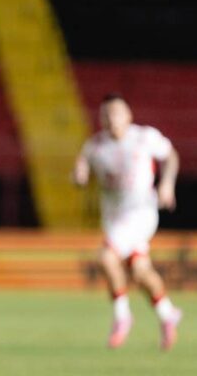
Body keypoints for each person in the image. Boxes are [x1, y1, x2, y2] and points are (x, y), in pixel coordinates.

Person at [73, 94, 183, 351]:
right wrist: (78, 175)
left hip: (141, 213)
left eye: (116, 114)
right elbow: (80, 168)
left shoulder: (144, 137)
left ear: (128, 116)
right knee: (140, 272)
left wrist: (167, 184)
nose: (111, 119)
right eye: (105, 115)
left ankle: (122, 316)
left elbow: (171, 157)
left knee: (106, 257)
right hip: (113, 219)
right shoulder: (95, 146)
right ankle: (168, 313)